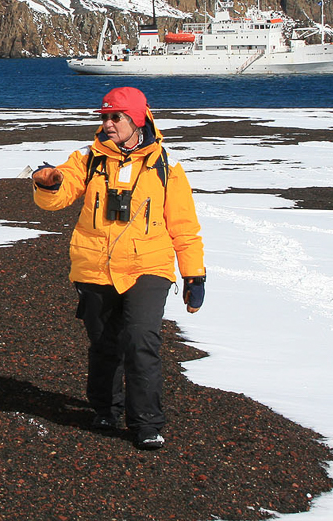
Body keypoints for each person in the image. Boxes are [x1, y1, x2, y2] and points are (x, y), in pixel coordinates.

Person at [31, 86, 205, 451]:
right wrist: (49, 183)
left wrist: (194, 275)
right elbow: (58, 196)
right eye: (104, 116)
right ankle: (106, 408)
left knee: (142, 340)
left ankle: (146, 424)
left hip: (149, 266)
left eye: (116, 117)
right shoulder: (87, 159)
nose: (108, 124)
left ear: (137, 119)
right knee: (104, 342)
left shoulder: (167, 168)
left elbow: (184, 226)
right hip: (94, 266)